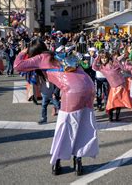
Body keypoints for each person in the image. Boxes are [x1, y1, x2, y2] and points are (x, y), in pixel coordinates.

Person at [14, 39, 98, 176]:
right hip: (88, 86)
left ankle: (57, 162)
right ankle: (78, 162)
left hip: (72, 90)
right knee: (83, 125)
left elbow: (17, 65)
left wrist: (23, 51)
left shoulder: (41, 58)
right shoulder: (58, 55)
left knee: (65, 127)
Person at [92, 51, 132, 121]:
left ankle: (117, 117)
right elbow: (94, 67)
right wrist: (97, 58)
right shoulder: (101, 67)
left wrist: (118, 61)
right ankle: (110, 118)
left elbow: (123, 69)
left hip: (120, 85)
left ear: (108, 58)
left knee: (118, 102)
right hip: (113, 87)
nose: (104, 59)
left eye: (105, 58)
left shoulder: (114, 64)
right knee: (111, 103)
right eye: (102, 58)